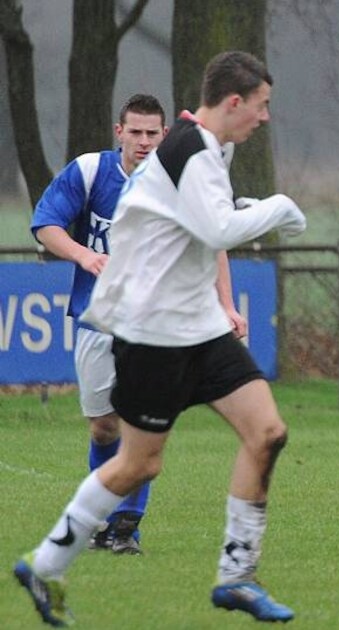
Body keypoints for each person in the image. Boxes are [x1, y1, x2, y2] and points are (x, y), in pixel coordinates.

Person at [13, 51, 307, 626]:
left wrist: (247, 211)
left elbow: (204, 219)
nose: (265, 117)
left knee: (268, 432)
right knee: (138, 465)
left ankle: (237, 576)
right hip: (153, 333)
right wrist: (278, 208)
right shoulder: (190, 149)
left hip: (199, 327)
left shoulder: (207, 150)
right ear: (234, 102)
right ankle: (45, 563)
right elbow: (217, 228)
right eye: (262, 105)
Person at [28, 94, 249, 557]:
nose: (144, 141)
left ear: (165, 135)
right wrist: (85, 255)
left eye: (152, 133)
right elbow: (46, 224)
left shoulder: (180, 179)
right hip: (98, 319)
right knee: (103, 428)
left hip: (156, 323)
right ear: (119, 132)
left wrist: (226, 305)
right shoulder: (90, 171)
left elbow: (214, 243)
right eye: (136, 132)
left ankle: (126, 526)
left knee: (139, 425)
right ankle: (101, 519)